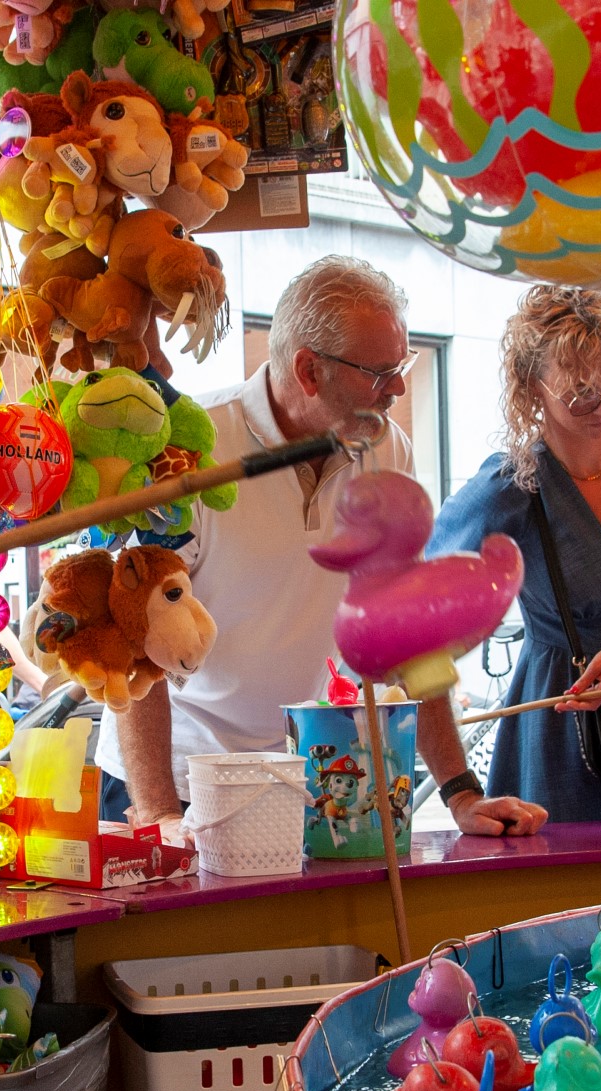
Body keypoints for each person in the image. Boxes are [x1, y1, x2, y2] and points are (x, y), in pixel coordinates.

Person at [103, 256, 546, 839]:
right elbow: (137, 641)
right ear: (308, 370)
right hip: (172, 777)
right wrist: (160, 815)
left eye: (402, 366)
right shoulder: (191, 448)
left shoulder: (388, 451)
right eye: (380, 372)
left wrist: (462, 793)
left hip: (297, 775)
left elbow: (407, 629)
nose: (399, 388)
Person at [426, 284, 601, 823]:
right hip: (562, 744)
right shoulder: (511, 487)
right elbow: (413, 635)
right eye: (580, 390)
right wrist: (459, 791)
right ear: (533, 387)